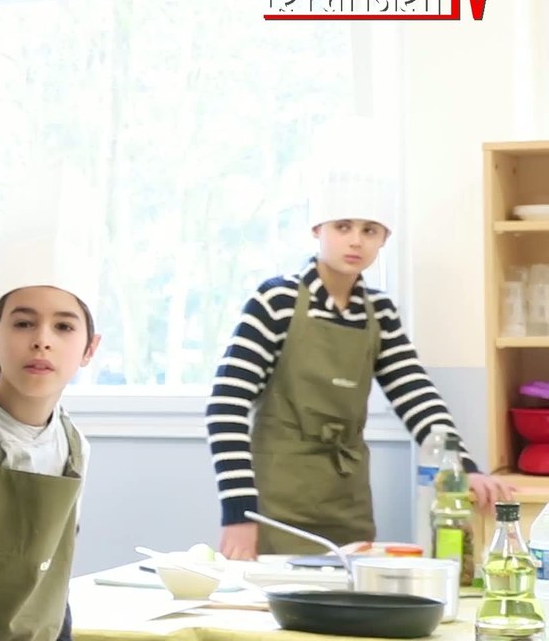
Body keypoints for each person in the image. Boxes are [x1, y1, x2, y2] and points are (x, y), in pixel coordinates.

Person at [206, 116, 513, 560]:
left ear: (384, 238)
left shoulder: (379, 312)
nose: (356, 241)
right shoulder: (276, 301)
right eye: (343, 226)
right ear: (317, 230)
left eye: (369, 230)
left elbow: (416, 396)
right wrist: (239, 513)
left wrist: (464, 467)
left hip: (347, 504)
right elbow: (225, 407)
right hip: (274, 505)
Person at [0, 184, 100, 641]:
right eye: (24, 323)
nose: (42, 340)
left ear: (90, 348)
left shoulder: (73, 447)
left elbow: (55, 586)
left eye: (63, 326)